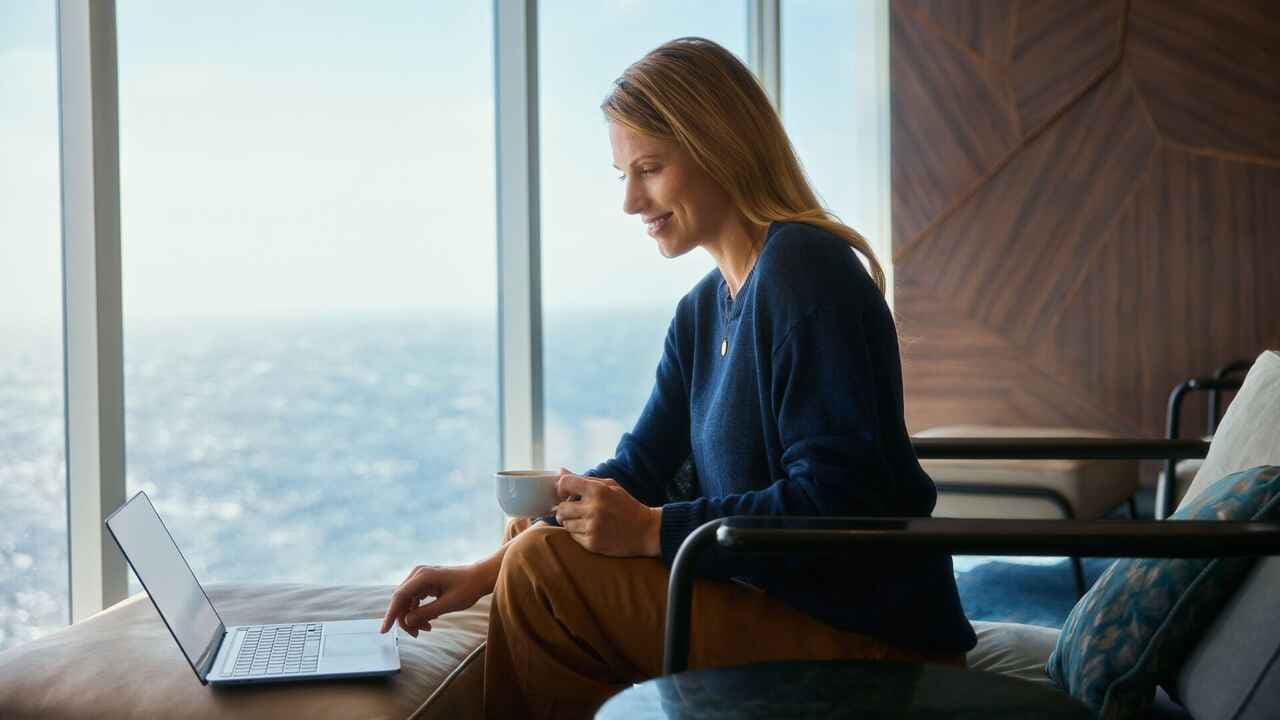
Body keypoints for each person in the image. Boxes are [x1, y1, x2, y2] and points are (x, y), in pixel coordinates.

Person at [380, 36, 976, 719]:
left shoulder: (805, 271)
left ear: (720, 147)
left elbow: (837, 502)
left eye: (650, 169)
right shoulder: (700, 311)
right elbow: (639, 468)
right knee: (532, 537)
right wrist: (485, 572)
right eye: (623, 175)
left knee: (546, 569)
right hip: (774, 607)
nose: (631, 201)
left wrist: (648, 531)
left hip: (874, 645)